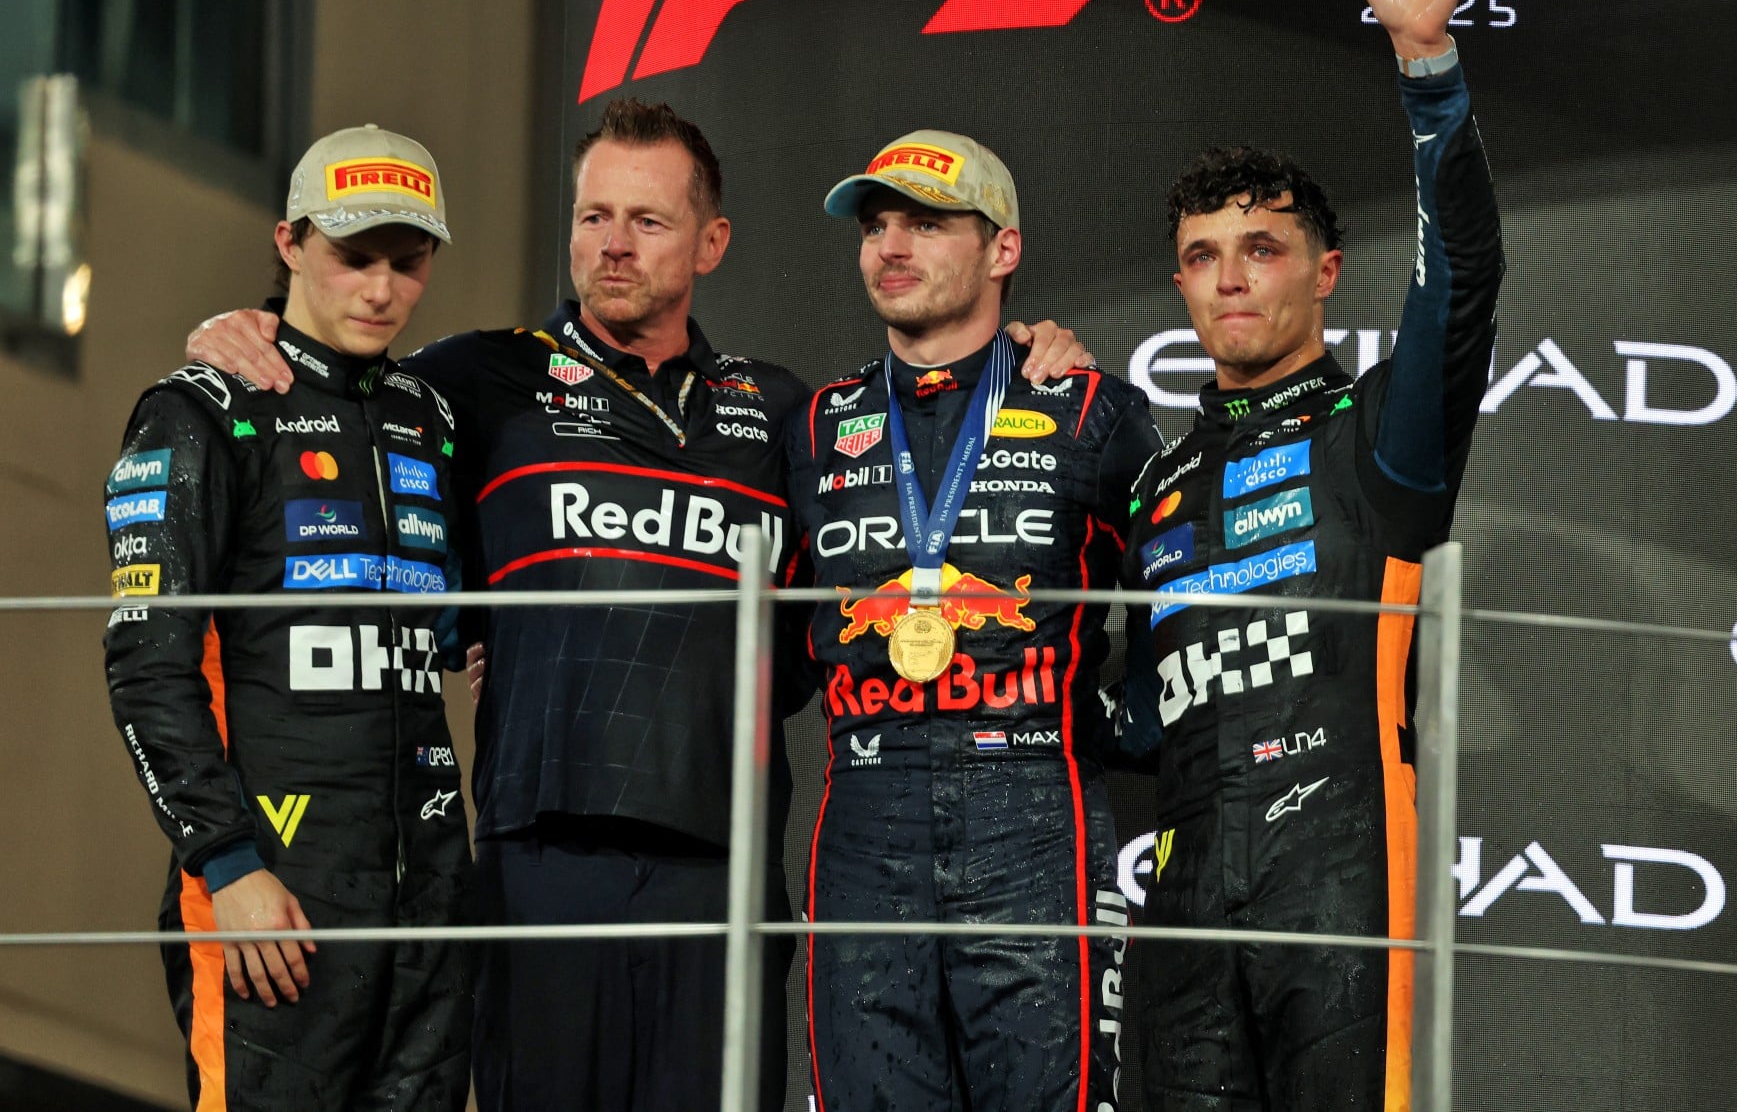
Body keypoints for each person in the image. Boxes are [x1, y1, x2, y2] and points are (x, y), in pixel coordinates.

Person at [184, 100, 1090, 1111]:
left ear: (712, 241)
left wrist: (1036, 350)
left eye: (647, 222)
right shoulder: (480, 379)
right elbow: (340, 381)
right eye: (591, 217)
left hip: (724, 870)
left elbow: (919, 463)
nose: (611, 246)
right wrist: (248, 325)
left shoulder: (787, 410)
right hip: (538, 864)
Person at [1116, 0, 1506, 1110]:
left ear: (1325, 271)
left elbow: (1465, 279)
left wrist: (1426, 63)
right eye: (1200, 257)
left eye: (1262, 248)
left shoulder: (1376, 434)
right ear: (1179, 286)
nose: (1229, 280)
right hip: (1177, 898)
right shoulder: (1155, 481)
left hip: (1339, 875)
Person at [784, 131, 1161, 1110]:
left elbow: (1184, 589)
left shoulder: (1092, 410)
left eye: (924, 223)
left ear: (1003, 250)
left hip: (1031, 800)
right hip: (865, 802)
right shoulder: (816, 425)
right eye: (875, 226)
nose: (890, 246)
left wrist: (1119, 730)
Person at [104, 124, 471, 1109]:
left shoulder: (428, 417)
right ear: (290, 242)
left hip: (432, 897)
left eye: (408, 260)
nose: (381, 288)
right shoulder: (202, 411)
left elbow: (457, 624)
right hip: (275, 891)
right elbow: (145, 666)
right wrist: (224, 863)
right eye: (354, 257)